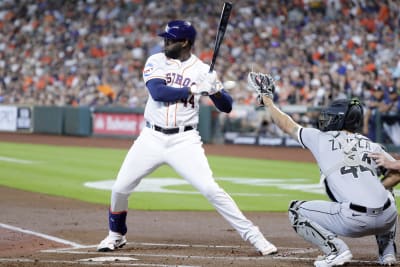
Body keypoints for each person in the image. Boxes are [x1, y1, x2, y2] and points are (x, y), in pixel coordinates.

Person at [96, 20, 277, 256]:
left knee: (211, 189)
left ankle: (256, 237)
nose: (165, 43)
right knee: (120, 188)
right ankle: (116, 235)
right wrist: (193, 89)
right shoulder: (156, 60)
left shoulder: (203, 70)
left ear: (185, 43)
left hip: (185, 141)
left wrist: (214, 90)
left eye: (170, 40)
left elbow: (227, 107)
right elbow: (158, 92)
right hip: (151, 137)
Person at [247, 72, 398, 266]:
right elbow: (397, 172)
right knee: (388, 195)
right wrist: (377, 187)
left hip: (353, 221)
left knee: (296, 210)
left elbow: (287, 124)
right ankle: (387, 253)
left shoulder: (320, 138)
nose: (326, 119)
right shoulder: (372, 145)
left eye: (331, 117)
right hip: (387, 218)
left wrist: (267, 100)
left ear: (339, 120)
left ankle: (336, 250)